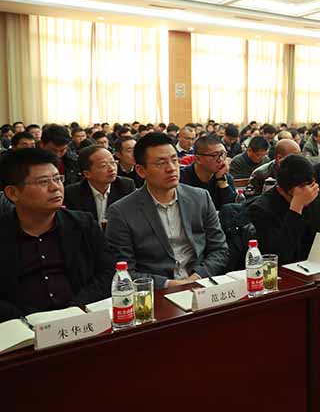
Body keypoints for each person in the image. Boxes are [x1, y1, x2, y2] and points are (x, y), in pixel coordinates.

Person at [0, 148, 114, 321]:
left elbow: (107, 271)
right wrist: (25, 319)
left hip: (81, 318)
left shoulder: (83, 224)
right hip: (21, 326)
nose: (55, 187)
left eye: (58, 179)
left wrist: (76, 309)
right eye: (43, 182)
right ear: (13, 193)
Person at [105, 133, 229, 290]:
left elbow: (219, 250)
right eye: (161, 163)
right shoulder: (122, 212)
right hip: (156, 291)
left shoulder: (200, 198)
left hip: (201, 284)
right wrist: (170, 284)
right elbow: (124, 271)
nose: (171, 168)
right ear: (141, 171)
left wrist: (196, 277)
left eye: (174, 160)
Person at [247, 155, 320, 265]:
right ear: (280, 190)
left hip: (315, 265)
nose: (307, 198)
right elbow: (278, 256)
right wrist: (296, 207)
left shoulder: (314, 194)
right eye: (299, 195)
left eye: (311, 186)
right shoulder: (261, 209)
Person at [63, 145, 135, 223]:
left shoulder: (126, 186)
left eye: (113, 162)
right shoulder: (72, 193)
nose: (112, 168)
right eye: (103, 165)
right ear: (87, 174)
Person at [179, 135, 235, 210]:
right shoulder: (181, 178)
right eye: (215, 155)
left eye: (223, 154)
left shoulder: (225, 177)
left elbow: (232, 210)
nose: (221, 159)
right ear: (198, 159)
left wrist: (222, 182)